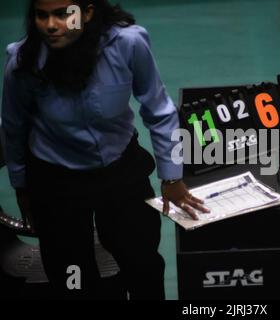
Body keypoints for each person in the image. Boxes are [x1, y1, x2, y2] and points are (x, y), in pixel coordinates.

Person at [1, 0, 209, 299]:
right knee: (73, 278)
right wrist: (22, 186)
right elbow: (14, 125)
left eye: (62, 14)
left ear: (87, 12)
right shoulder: (23, 61)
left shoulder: (127, 44)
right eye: (41, 15)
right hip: (56, 182)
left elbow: (159, 110)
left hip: (120, 171)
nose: (50, 25)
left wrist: (172, 177)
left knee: (142, 265)